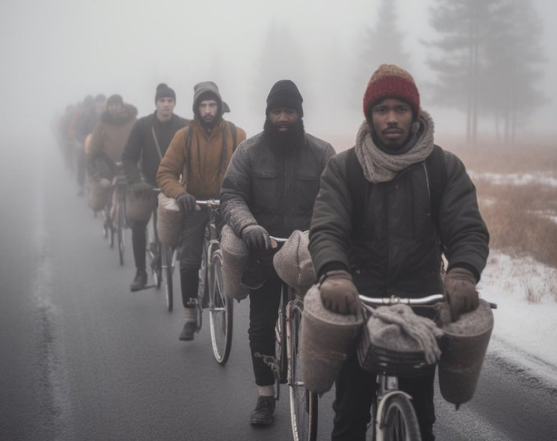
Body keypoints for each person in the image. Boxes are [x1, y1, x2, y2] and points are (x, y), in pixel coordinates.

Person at [308, 64, 490, 441]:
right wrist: (336, 272)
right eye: (381, 109)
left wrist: (462, 273)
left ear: (415, 113)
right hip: (358, 303)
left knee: (420, 419)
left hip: (422, 305)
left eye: (400, 109)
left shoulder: (442, 167)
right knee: (349, 417)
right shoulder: (344, 169)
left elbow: (467, 228)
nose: (391, 118)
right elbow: (327, 227)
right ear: (370, 115)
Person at [220, 80, 335, 426]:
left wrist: (321, 235)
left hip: (308, 254)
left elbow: (337, 201)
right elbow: (231, 195)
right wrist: (248, 226)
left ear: (300, 114)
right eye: (276, 111)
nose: (282, 117)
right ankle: (265, 396)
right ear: (267, 114)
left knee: (323, 322)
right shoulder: (249, 151)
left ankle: (315, 383)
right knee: (259, 326)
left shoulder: (322, 152)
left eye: (289, 111)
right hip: (264, 250)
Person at [157, 81, 246, 341]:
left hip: (227, 204)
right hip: (194, 204)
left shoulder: (236, 135)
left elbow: (251, 170)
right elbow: (165, 173)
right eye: (203, 105)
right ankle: (190, 317)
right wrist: (180, 194)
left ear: (220, 106)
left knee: (237, 251)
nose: (208, 110)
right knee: (189, 259)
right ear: (197, 108)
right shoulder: (184, 136)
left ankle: (222, 286)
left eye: (212, 104)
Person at [122, 83, 189, 291]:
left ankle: (179, 258)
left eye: (170, 101)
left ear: (175, 103)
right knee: (138, 223)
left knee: (187, 222)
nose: (166, 105)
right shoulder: (143, 126)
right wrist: (135, 181)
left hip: (175, 186)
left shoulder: (184, 125)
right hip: (147, 184)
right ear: (156, 103)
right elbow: (129, 156)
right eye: (162, 101)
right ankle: (141, 272)